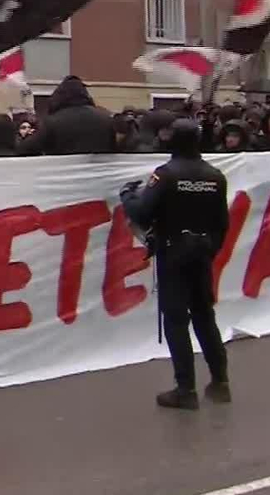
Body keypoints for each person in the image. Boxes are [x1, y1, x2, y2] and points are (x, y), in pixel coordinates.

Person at [120, 118, 230, 410]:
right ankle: (220, 381)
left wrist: (127, 195)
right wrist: (209, 250)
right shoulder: (215, 176)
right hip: (202, 251)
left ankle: (186, 389)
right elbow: (223, 223)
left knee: (177, 320)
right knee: (205, 317)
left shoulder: (166, 175)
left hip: (174, 252)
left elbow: (142, 214)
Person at [25, 76, 114, 155]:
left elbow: (28, 148)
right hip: (98, 171)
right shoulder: (106, 119)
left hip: (64, 171)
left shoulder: (53, 121)